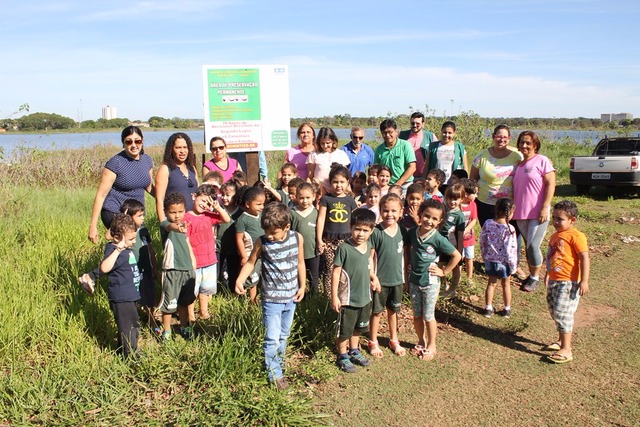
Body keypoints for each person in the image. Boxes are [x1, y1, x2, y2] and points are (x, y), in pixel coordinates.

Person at [235, 203, 306, 389]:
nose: (269, 236)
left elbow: (300, 263)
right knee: (272, 338)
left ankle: (279, 365)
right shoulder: (262, 242)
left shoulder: (297, 238)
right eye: (266, 231)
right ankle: (275, 375)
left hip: (291, 298)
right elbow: (251, 262)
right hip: (272, 301)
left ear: (287, 228)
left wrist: (302, 285)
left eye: (274, 232)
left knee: (284, 335)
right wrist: (240, 280)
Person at [81, 125, 155, 292]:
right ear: (123, 143)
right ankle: (125, 291)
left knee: (142, 249)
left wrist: (165, 200)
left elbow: (148, 186)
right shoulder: (115, 163)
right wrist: (92, 226)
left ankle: (93, 276)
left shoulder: (147, 161)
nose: (134, 145)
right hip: (114, 211)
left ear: (142, 141)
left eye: (137, 141)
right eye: (129, 142)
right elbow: (100, 195)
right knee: (129, 249)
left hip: (135, 214)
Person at [404, 199, 461, 361]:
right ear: (420, 215)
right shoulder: (412, 233)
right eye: (427, 216)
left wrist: (443, 272)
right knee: (417, 315)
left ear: (439, 221)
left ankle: (432, 344)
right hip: (415, 281)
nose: (429, 220)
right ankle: (420, 340)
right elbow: (407, 250)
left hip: (430, 283)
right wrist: (406, 272)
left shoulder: (438, 238)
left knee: (429, 316)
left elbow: (456, 256)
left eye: (434, 219)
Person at [331, 208, 380, 373]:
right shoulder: (344, 248)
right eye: (357, 229)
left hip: (365, 297)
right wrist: (334, 297)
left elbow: (370, 264)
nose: (361, 233)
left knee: (359, 327)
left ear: (371, 231)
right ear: (350, 227)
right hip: (348, 299)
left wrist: (374, 278)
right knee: (345, 329)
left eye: (365, 230)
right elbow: (336, 273)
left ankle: (354, 350)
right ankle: (342, 355)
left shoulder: (369, 245)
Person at [543, 200, 590, 364]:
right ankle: (561, 341)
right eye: (554, 218)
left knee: (563, 313)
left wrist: (584, 280)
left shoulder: (576, 236)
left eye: (560, 219)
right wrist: (547, 273)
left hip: (568, 283)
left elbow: (584, 258)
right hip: (554, 280)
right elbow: (552, 256)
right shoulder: (555, 236)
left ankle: (566, 349)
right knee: (554, 310)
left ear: (572, 220)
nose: (555, 222)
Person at [513, 131, 556, 293]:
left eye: (528, 143)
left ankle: (535, 278)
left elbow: (551, 184)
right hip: (520, 212)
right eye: (521, 143)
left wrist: (545, 206)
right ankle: (532, 274)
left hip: (538, 211)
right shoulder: (519, 164)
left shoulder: (542, 160)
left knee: (532, 245)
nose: (524, 146)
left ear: (535, 145)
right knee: (528, 246)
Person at [183, 184, 230, 320]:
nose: (204, 205)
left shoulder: (209, 215)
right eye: (203, 200)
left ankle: (204, 312)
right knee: (193, 290)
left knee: (205, 290)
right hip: (194, 262)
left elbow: (226, 219)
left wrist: (216, 207)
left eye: (208, 202)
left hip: (210, 260)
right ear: (194, 196)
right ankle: (190, 316)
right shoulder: (186, 218)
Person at [368, 194, 407, 358]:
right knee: (376, 312)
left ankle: (394, 340)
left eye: (393, 211)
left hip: (397, 280)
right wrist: (372, 277)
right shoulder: (376, 232)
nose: (389, 214)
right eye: (386, 210)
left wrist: (405, 278)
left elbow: (405, 256)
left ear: (401, 212)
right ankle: (373, 341)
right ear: (380, 211)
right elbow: (369, 257)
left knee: (393, 311)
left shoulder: (403, 231)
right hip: (380, 282)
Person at [99, 214, 141, 358]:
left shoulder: (126, 249)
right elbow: (104, 268)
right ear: (117, 238)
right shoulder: (113, 250)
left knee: (131, 325)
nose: (134, 242)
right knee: (128, 328)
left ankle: (122, 351)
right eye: (131, 239)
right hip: (122, 298)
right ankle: (130, 356)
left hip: (131, 295)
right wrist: (118, 250)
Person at [158, 192, 197, 340]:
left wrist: (193, 264)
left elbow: (187, 246)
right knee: (169, 303)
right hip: (172, 270)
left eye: (180, 211)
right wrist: (177, 228)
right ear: (166, 212)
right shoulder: (166, 225)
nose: (177, 215)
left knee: (184, 302)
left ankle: (184, 326)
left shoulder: (184, 226)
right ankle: (166, 331)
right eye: (172, 212)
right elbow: (169, 226)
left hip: (187, 270)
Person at [317, 165, 359, 297]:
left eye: (342, 182)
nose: (338, 185)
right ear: (330, 182)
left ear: (348, 183)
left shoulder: (350, 200)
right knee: (330, 269)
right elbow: (321, 219)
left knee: (345, 269)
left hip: (346, 240)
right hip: (329, 241)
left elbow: (356, 221)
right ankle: (329, 298)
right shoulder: (326, 199)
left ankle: (345, 296)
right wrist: (319, 239)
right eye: (335, 182)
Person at [470, 124, 523, 226]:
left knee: (511, 236)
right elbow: (473, 179)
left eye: (504, 137)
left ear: (509, 138)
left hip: (509, 204)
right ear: (493, 137)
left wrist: (547, 161)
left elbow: (532, 160)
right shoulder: (482, 155)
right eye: (498, 136)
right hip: (485, 204)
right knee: (490, 234)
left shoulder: (518, 155)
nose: (501, 140)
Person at [120, 199, 158, 325]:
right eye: (139, 215)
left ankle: (151, 319)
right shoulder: (122, 232)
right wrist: (123, 218)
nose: (142, 218)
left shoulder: (143, 230)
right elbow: (108, 235)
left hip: (146, 268)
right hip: (132, 270)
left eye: (143, 215)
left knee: (150, 294)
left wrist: (154, 266)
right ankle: (135, 319)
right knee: (136, 295)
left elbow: (150, 249)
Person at [480, 198, 518, 318]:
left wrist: (484, 255)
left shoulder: (487, 223)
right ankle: (507, 309)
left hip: (490, 260)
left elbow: (482, 241)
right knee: (506, 284)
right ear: (510, 213)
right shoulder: (510, 229)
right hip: (504, 262)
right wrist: (513, 265)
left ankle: (488, 308)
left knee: (491, 284)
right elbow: (511, 249)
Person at [155, 132, 199, 223]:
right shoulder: (165, 169)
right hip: (175, 222)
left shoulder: (192, 168)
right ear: (171, 149)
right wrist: (164, 225)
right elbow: (159, 200)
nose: (182, 151)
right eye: (178, 148)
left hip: (194, 219)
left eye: (185, 147)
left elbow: (199, 193)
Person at [235, 187, 266, 303]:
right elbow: (239, 239)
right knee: (252, 277)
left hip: (263, 251)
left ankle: (260, 298)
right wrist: (244, 256)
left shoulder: (262, 215)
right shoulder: (242, 220)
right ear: (247, 204)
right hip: (250, 253)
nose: (262, 207)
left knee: (262, 275)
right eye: (258, 204)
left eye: (263, 204)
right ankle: (252, 300)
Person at [290, 182, 319, 295]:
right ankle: (299, 295)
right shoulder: (292, 213)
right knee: (297, 275)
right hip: (296, 252)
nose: (304, 201)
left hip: (312, 251)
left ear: (313, 197)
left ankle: (314, 297)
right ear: (296, 197)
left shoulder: (316, 213)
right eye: (301, 198)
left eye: (308, 197)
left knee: (313, 276)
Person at [439, 183, 466, 298]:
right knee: (440, 265)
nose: (452, 202)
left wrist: (459, 251)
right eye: (450, 198)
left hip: (453, 245)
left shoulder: (459, 215)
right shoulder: (443, 209)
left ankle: (453, 289)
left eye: (456, 199)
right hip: (441, 244)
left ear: (461, 199)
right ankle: (443, 285)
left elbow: (460, 235)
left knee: (455, 267)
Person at [374, 119, 416, 190]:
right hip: (386, 186)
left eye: (390, 132)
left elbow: (412, 167)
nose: (387, 135)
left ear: (396, 132)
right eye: (384, 133)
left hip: (405, 185)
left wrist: (398, 183)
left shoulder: (405, 145)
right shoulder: (379, 149)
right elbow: (376, 169)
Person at [307, 127, 351, 194]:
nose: (325, 146)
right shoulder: (314, 154)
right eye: (322, 143)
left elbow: (345, 176)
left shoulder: (341, 154)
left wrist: (349, 192)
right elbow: (310, 176)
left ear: (333, 141)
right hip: (320, 191)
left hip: (338, 191)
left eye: (328, 143)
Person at [423, 121, 468, 186]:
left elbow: (465, 168)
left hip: (453, 185)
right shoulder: (433, 147)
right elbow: (427, 166)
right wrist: (424, 181)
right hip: (436, 184)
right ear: (441, 131)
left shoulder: (460, 148)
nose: (447, 135)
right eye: (445, 132)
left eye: (450, 133)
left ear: (454, 133)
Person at [217, 180, 242, 294]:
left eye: (228, 195)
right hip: (219, 247)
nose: (224, 198)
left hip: (235, 248)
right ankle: (218, 292)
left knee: (234, 271)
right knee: (218, 271)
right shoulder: (218, 210)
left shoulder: (241, 212)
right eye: (222, 195)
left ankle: (233, 292)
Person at [399, 112, 438, 178]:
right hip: (406, 176)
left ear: (423, 124)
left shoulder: (430, 136)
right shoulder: (402, 135)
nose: (414, 125)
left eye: (417, 123)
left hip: (424, 176)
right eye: (412, 123)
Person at [459, 179, 479, 286]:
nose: (476, 196)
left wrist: (465, 230)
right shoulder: (457, 205)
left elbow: (474, 220)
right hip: (458, 238)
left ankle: (469, 278)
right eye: (474, 193)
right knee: (459, 258)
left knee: (469, 257)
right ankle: (458, 276)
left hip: (469, 238)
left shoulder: (473, 205)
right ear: (466, 194)